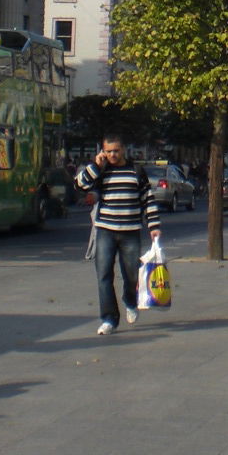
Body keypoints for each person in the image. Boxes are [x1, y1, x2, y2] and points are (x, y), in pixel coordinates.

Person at [75, 136, 161, 335]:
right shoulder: (101, 171)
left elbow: (147, 199)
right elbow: (79, 186)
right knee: (104, 275)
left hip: (131, 231)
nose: (112, 155)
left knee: (131, 275)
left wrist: (154, 225)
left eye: (116, 151)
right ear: (103, 151)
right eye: (108, 151)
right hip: (105, 231)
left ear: (123, 150)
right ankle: (109, 319)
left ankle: (130, 300)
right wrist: (94, 166)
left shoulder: (136, 171)